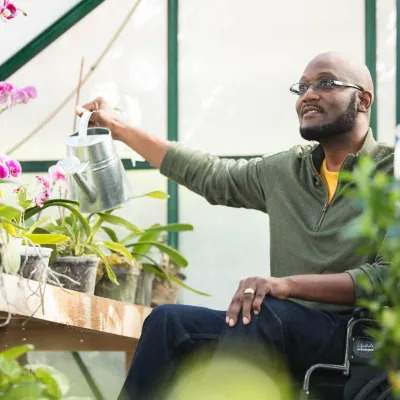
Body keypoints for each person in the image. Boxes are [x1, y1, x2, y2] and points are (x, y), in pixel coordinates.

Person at [75, 51, 393, 399]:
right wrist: (117, 129)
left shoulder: (390, 172)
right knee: (169, 323)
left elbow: (385, 277)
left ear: (363, 100)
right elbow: (212, 175)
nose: (308, 95)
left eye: (325, 83)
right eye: (301, 87)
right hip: (280, 325)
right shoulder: (287, 171)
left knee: (263, 311)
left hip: (359, 337)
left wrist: (286, 286)